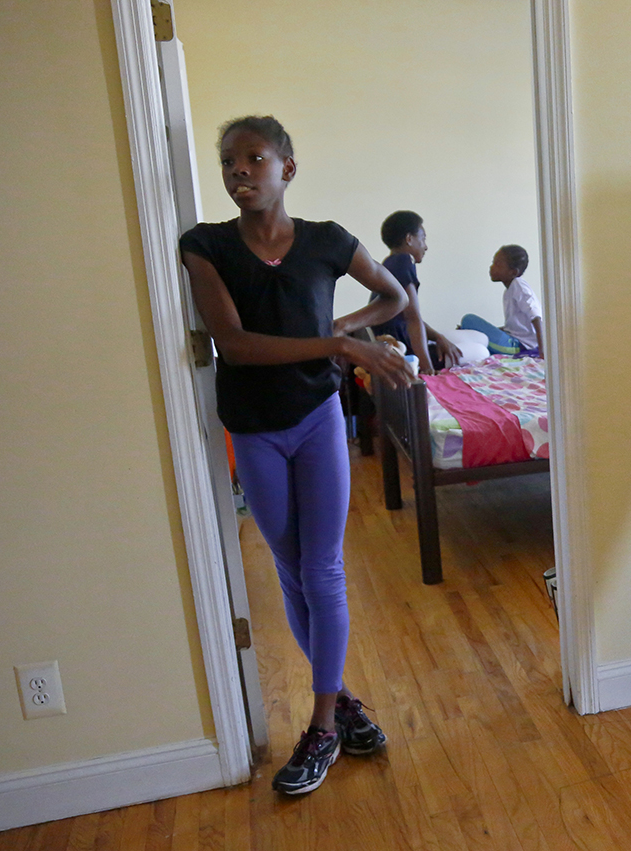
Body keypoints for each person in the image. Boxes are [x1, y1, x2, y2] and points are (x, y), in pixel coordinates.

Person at [180, 115, 415, 794]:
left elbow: (394, 296)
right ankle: (340, 700)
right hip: (254, 426)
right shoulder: (205, 246)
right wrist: (340, 344)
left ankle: (319, 727)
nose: (239, 172)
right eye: (229, 163)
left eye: (254, 159)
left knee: (323, 568)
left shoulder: (328, 242)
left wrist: (345, 323)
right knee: (289, 566)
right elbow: (235, 342)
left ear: (288, 167)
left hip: (316, 418)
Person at [370, 210, 462, 370]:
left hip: (396, 339)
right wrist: (427, 369)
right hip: (403, 347)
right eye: (423, 238)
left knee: (472, 339)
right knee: (480, 349)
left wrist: (438, 337)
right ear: (409, 239)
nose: (425, 246)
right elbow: (413, 319)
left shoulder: (389, 263)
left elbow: (406, 316)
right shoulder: (403, 261)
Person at [459, 244, 543, 358]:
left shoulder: (518, 285)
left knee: (468, 319)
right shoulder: (509, 290)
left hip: (519, 346)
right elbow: (514, 328)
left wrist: (543, 351)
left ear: (513, 272)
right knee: (472, 333)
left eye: (497, 264)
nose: (491, 267)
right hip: (514, 341)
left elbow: (537, 317)